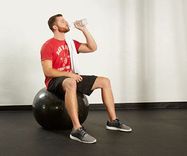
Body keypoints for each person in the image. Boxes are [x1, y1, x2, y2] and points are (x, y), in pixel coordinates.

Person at [40, 14, 132, 144]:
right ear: (54, 27)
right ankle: (77, 129)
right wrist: (69, 74)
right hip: (55, 81)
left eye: (65, 20)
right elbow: (48, 71)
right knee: (71, 82)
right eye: (62, 21)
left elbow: (92, 47)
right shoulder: (48, 45)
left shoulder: (70, 44)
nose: (66, 22)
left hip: (70, 77)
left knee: (105, 81)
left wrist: (84, 29)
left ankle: (113, 122)